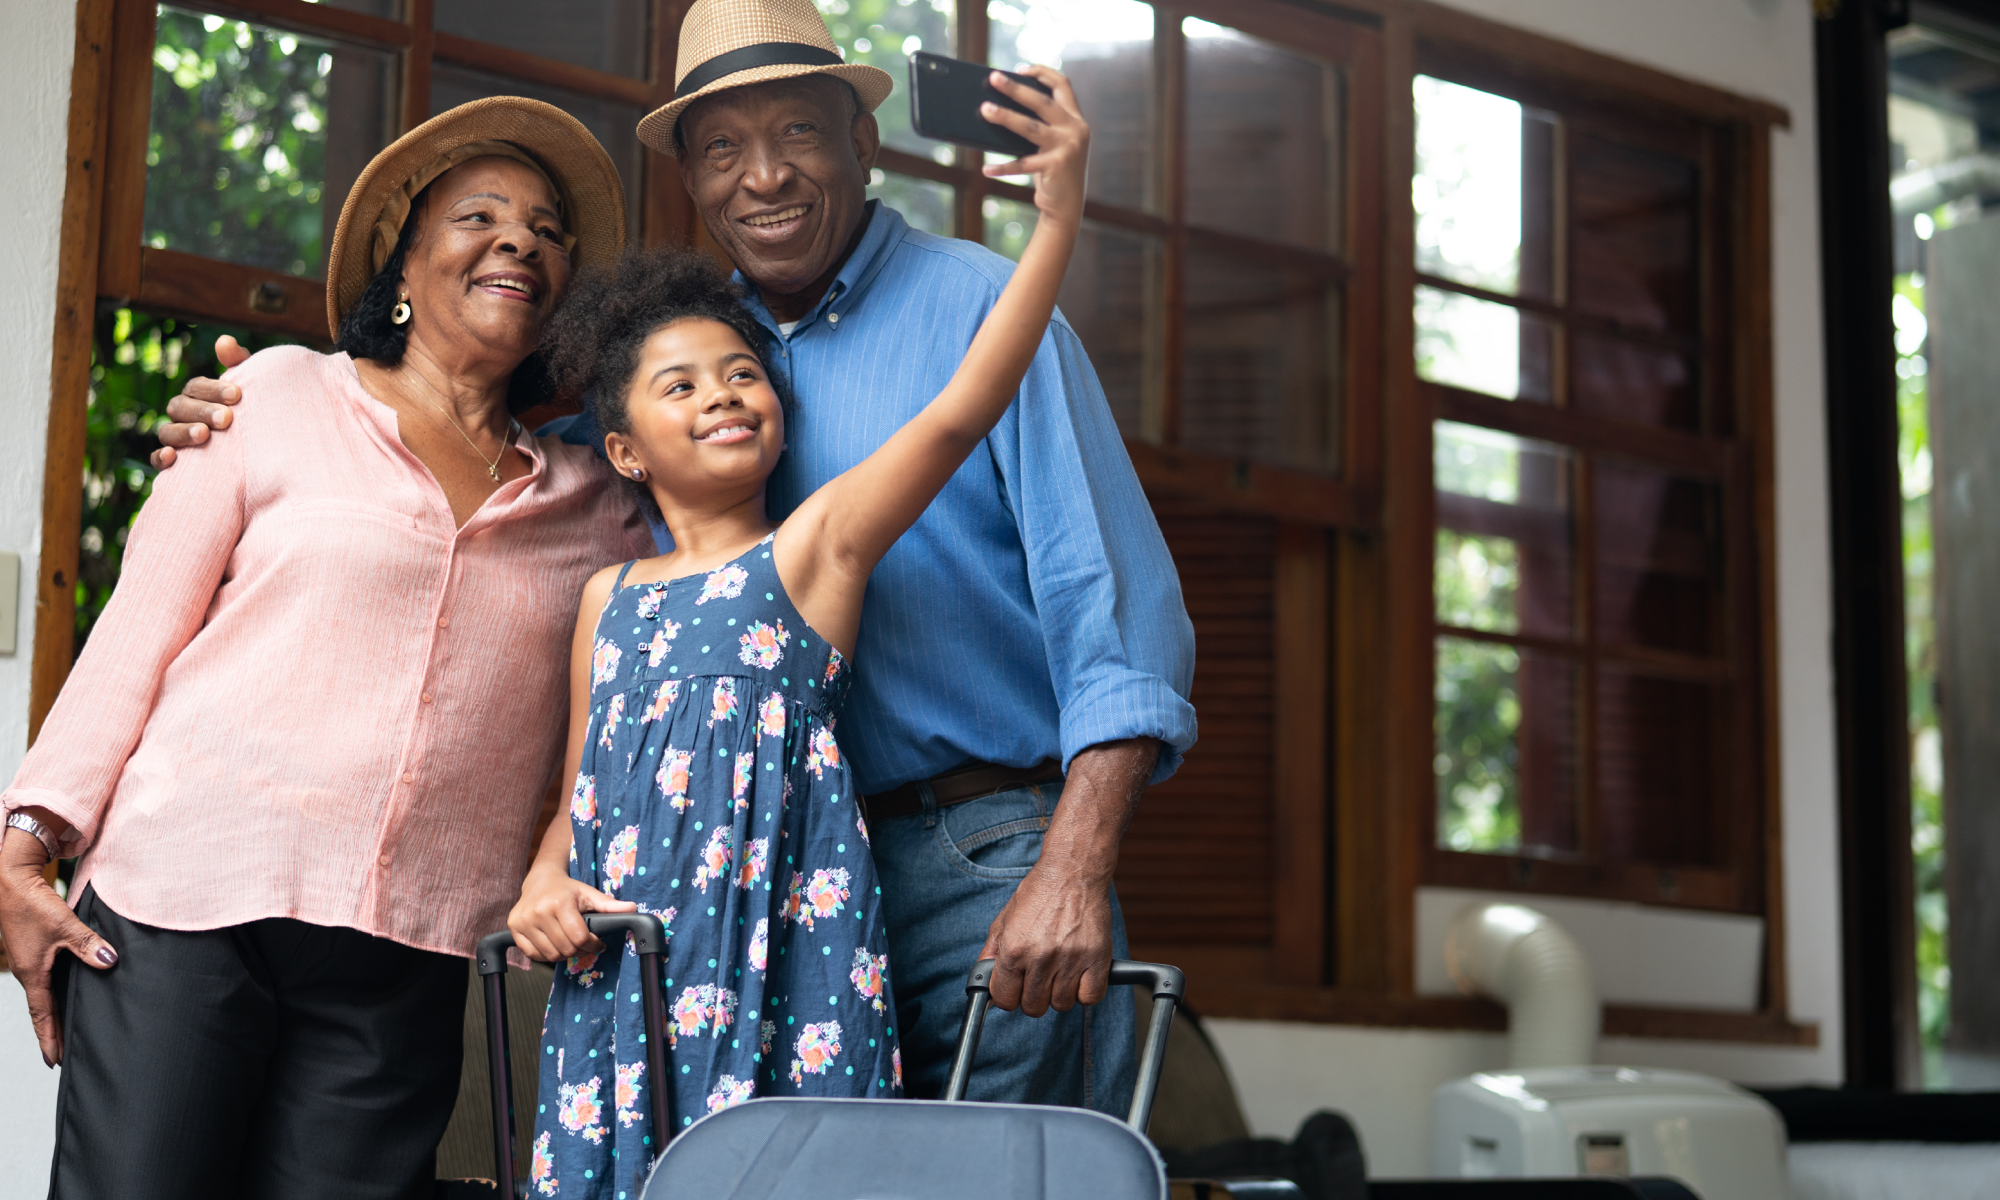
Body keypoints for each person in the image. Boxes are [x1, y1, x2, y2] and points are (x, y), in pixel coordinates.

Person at [155, 0, 1197, 1117]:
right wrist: (284, 401)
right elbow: (470, 443)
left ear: (861, 143)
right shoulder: (677, 360)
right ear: (691, 182)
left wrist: (1072, 868)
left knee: (1005, 1180)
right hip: (744, 886)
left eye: (797, 132)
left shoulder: (984, 314)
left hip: (976, 855)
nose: (762, 177)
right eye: (721, 150)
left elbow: (1117, 617)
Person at [0, 98, 652, 1198]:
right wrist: (27, 839)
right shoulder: (272, 393)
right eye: (479, 216)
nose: (518, 244)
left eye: (547, 232)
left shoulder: (597, 501)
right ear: (401, 264)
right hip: (184, 906)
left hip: (409, 949)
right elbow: (137, 631)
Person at [507, 67, 1087, 1193]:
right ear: (618, 448)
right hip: (625, 983)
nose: (722, 393)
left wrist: (1057, 217)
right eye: (677, 387)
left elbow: (966, 402)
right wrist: (541, 883)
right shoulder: (608, 600)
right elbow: (578, 788)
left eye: (739, 372)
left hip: (782, 965)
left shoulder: (812, 550)